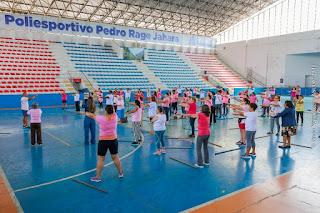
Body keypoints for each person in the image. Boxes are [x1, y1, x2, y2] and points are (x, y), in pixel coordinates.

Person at [86, 105, 123, 182]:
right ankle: (120, 173)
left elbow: (92, 115)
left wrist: (86, 113)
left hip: (103, 141)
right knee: (115, 157)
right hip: (113, 140)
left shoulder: (101, 118)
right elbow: (113, 112)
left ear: (105, 112)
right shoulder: (115, 116)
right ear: (113, 111)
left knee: (101, 159)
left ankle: (97, 177)